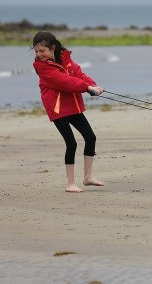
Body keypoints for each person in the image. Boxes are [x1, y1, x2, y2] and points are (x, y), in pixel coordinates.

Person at [32, 31, 105, 193]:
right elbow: (65, 82)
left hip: (72, 105)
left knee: (90, 137)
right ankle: (70, 183)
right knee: (71, 143)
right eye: (36, 51)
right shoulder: (42, 67)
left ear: (53, 48)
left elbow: (78, 73)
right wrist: (87, 88)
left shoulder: (65, 58)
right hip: (57, 108)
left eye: (42, 51)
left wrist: (93, 85)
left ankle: (88, 177)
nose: (39, 55)